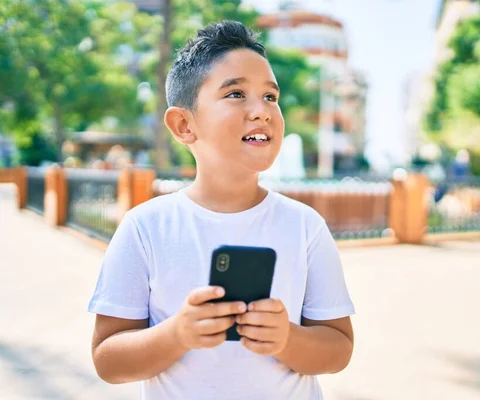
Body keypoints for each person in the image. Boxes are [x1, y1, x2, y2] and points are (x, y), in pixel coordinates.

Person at [88, 20, 355, 399]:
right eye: (235, 94)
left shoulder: (305, 227)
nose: (261, 111)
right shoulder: (146, 228)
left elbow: (339, 347)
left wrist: (287, 339)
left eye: (270, 97)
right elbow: (108, 360)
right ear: (183, 124)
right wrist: (178, 333)